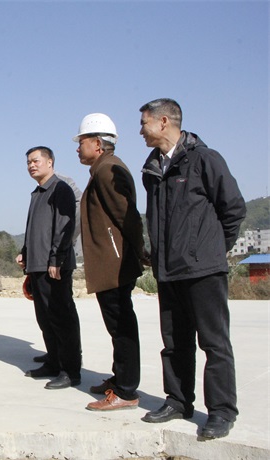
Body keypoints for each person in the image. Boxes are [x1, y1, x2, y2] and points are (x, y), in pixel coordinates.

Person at [138, 98, 246, 439]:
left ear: (164, 121)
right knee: (174, 343)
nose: (140, 131)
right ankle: (178, 400)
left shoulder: (204, 159)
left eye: (144, 123)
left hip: (203, 271)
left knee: (214, 344)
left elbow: (234, 209)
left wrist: (211, 250)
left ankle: (221, 412)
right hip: (168, 271)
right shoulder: (153, 168)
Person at [73, 113, 147, 411]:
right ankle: (119, 380)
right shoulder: (102, 169)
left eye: (81, 142)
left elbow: (127, 216)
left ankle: (126, 391)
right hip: (112, 261)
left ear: (97, 144)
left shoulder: (107, 170)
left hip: (115, 263)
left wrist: (139, 251)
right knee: (117, 325)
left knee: (121, 326)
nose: (77, 148)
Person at [16, 146, 82, 390]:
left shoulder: (60, 189)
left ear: (50, 162)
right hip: (37, 264)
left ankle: (70, 371)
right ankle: (54, 362)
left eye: (36, 161)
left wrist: (57, 259)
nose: (31, 165)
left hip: (53, 266)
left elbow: (65, 227)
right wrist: (25, 252)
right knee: (45, 318)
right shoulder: (37, 192)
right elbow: (34, 228)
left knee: (62, 318)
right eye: (28, 162)